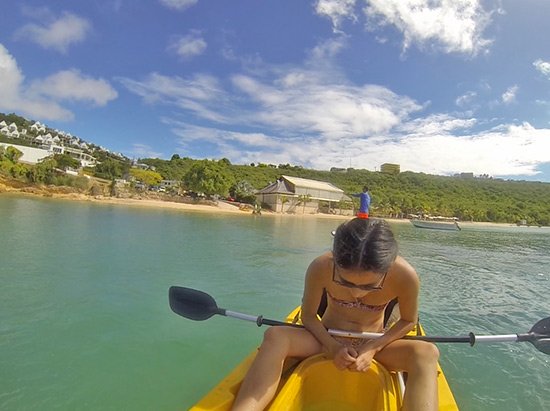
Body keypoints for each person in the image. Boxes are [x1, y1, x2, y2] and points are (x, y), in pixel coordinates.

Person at [232, 218, 439, 411]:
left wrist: (373, 348)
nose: (356, 293)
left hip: (372, 342)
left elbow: (408, 320)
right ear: (336, 262)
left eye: (370, 286)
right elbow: (309, 316)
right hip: (325, 338)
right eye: (346, 282)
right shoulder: (320, 267)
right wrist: (332, 346)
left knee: (427, 353)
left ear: (388, 267)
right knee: (275, 336)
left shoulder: (406, 276)